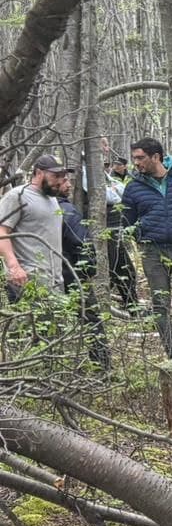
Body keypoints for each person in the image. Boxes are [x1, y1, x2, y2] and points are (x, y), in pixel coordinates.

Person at [122, 137, 172, 361]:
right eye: (134, 158)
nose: (136, 163)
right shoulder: (133, 188)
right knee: (160, 306)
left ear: (156, 157)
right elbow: (127, 221)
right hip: (152, 252)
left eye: (140, 158)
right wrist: (142, 239)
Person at [0, 154, 69, 301]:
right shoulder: (18, 195)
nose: (60, 180)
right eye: (56, 175)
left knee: (58, 323)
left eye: (62, 175)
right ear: (39, 173)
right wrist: (14, 267)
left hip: (54, 278)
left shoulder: (52, 198)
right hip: (28, 278)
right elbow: (1, 231)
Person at [56, 177, 109, 368]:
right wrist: (87, 270)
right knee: (91, 319)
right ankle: (102, 365)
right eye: (63, 181)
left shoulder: (35, 207)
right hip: (72, 275)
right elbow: (81, 243)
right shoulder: (67, 211)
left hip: (47, 275)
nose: (69, 185)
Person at [104, 156, 140, 311]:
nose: (113, 166)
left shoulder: (129, 177)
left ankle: (132, 306)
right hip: (106, 228)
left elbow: (123, 193)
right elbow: (111, 196)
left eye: (117, 164)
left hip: (118, 226)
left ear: (125, 166)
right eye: (112, 164)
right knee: (113, 269)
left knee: (125, 269)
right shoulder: (94, 175)